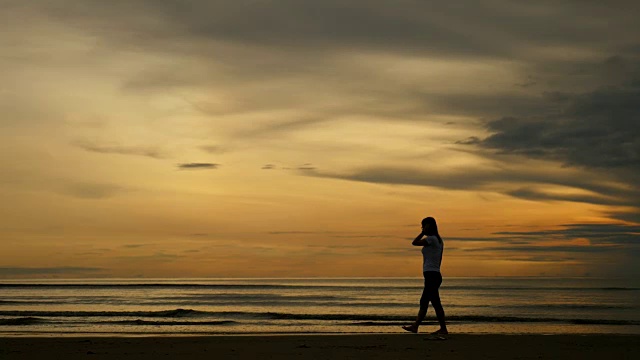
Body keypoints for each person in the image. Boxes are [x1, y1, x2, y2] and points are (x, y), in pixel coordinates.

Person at [402, 216, 448, 335]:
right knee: (430, 301)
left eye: (424, 225)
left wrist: (422, 233)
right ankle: (418, 326)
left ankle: (419, 327)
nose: (422, 228)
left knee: (429, 301)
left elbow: (414, 242)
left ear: (429, 226)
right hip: (432, 275)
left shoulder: (432, 239)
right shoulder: (437, 239)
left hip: (432, 275)